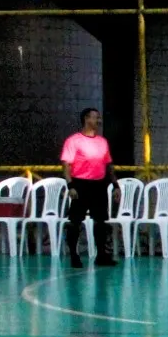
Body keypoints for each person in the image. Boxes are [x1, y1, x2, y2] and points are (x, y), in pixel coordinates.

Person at [61, 107, 116, 268]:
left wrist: (115, 184)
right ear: (86, 119)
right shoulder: (73, 140)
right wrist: (70, 185)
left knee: (101, 221)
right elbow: (66, 165)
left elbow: (109, 165)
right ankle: (74, 255)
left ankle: (102, 255)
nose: (98, 121)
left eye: (99, 118)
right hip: (80, 184)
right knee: (75, 221)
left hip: (98, 185)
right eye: (95, 118)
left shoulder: (102, 142)